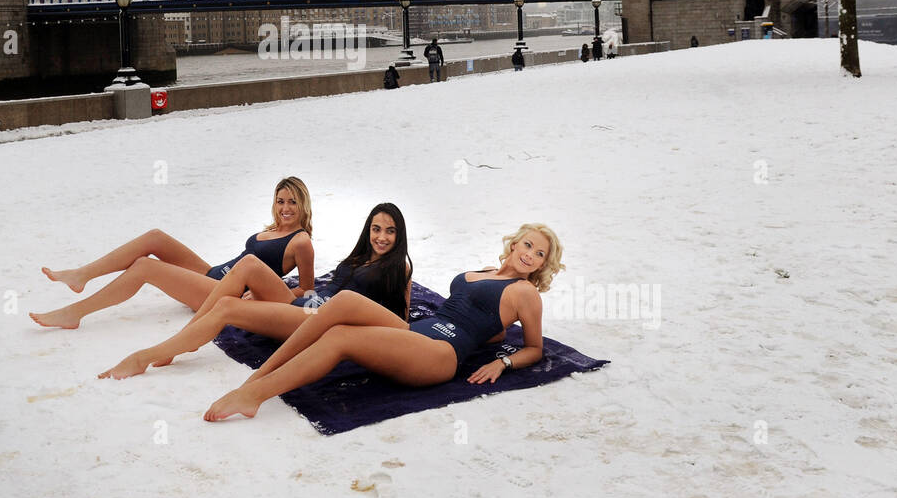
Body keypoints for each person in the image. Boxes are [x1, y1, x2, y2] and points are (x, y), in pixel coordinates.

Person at [203, 223, 563, 422]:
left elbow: (534, 348)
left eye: (540, 253)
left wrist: (502, 362)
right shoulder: (485, 270)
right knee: (342, 302)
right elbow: (492, 325)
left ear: (543, 264)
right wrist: (490, 333)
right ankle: (262, 374)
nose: (530, 254)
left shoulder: (525, 292)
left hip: (439, 354)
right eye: (527, 245)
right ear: (514, 243)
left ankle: (255, 393)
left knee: (341, 338)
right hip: (415, 333)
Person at [99, 203, 414, 379]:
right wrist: (292, 291)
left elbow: (400, 321)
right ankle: (188, 338)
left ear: (399, 236)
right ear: (368, 230)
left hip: (318, 320)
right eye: (376, 229)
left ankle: (152, 355)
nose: (382, 237)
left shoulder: (399, 267)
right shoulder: (361, 257)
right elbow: (328, 288)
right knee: (249, 263)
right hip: (305, 304)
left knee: (226, 307)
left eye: (390, 231)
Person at [30, 176, 315, 329]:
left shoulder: (301, 241)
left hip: (221, 291)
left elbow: (307, 289)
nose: (285, 208)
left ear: (303, 205)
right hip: (212, 273)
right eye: (280, 201)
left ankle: (75, 313)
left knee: (145, 267)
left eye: (292, 202)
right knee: (155, 237)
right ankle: (82, 275)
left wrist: (266, 294)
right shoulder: (273, 228)